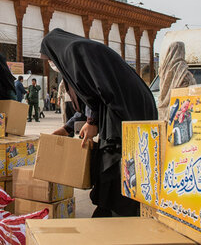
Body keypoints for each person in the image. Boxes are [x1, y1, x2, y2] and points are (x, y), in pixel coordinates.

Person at [40, 28, 157, 218]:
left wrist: (93, 121)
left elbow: (99, 91)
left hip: (125, 109)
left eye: (49, 59)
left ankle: (119, 211)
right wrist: (67, 128)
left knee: (115, 159)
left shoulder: (76, 51)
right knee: (114, 159)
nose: (51, 64)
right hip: (120, 108)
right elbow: (91, 101)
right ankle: (111, 208)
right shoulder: (77, 55)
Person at [157, 41, 196, 121]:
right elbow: (191, 88)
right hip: (177, 110)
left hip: (163, 110)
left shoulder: (163, 69)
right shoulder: (182, 69)